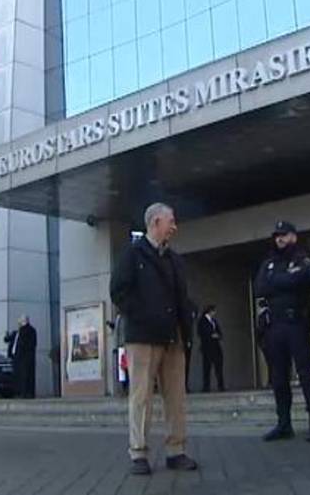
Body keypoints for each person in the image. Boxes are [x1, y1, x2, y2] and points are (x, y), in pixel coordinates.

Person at [109, 202, 198, 476]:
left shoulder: (175, 260)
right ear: (155, 222)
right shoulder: (132, 254)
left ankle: (176, 450)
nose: (174, 227)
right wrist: (142, 315)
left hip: (173, 337)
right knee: (141, 396)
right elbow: (118, 291)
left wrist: (187, 328)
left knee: (176, 397)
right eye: (171, 221)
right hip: (143, 337)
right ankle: (138, 453)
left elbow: (182, 297)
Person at [254, 220, 310, 442]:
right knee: (278, 377)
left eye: (284, 235)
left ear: (293, 236)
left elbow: (303, 278)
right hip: (275, 326)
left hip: (297, 324)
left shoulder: (302, 259)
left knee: (306, 374)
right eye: (277, 236)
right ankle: (284, 423)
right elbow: (260, 287)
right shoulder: (269, 263)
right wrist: (286, 280)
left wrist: (278, 281)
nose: (280, 239)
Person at [4, 315, 37, 399]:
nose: (18, 324)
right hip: (15, 357)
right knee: (17, 375)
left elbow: (29, 344)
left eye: (19, 322)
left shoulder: (29, 330)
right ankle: (18, 392)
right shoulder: (16, 332)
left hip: (24, 357)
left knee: (25, 375)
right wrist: (7, 336)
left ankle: (25, 393)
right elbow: (8, 340)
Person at [198, 304, 225, 392]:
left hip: (216, 346)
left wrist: (218, 335)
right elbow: (201, 332)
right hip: (207, 346)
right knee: (207, 367)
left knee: (218, 366)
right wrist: (211, 335)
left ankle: (221, 385)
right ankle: (206, 386)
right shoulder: (202, 321)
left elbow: (219, 332)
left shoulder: (214, 321)